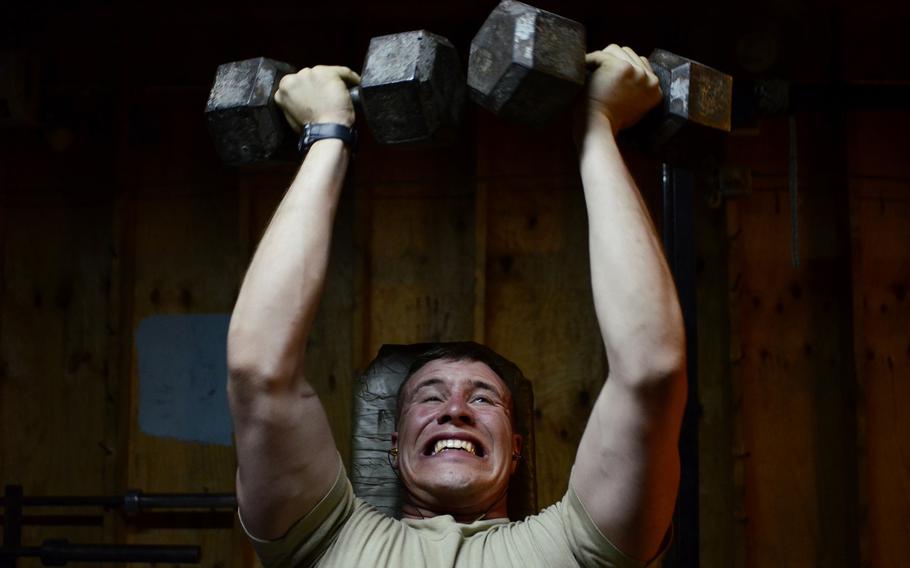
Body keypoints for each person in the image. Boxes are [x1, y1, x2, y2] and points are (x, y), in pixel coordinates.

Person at [227, 44, 687, 567]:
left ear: (516, 450)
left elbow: (651, 370)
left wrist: (598, 126)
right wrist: (329, 132)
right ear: (394, 445)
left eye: (485, 400)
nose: (455, 411)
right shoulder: (324, 539)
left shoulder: (576, 547)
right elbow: (257, 369)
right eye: (429, 397)